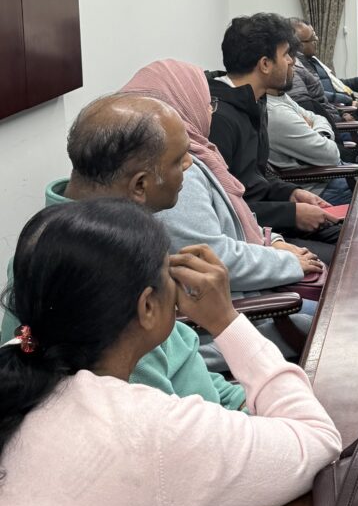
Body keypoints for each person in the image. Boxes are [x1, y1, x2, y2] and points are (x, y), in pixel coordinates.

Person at [0, 199, 342, 506]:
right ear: (146, 306)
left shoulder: (18, 365)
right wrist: (225, 320)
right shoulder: (146, 428)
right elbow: (317, 440)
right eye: (168, 272)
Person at [0, 92, 245, 411]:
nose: (190, 163)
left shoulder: (97, 240)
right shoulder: (97, 269)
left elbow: (184, 363)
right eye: (178, 159)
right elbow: (155, 419)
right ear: (140, 186)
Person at [121, 59, 323, 296]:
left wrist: (273, 242)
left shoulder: (199, 153)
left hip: (255, 280)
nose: (210, 111)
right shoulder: (174, 172)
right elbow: (209, 258)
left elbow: (236, 219)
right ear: (178, 106)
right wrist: (285, 262)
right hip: (242, 310)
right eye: (207, 103)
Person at [208, 12, 342, 263]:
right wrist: (290, 214)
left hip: (270, 217)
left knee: (355, 239)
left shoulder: (255, 102)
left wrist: (291, 193)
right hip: (250, 236)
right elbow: (224, 209)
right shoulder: (220, 119)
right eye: (286, 55)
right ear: (265, 64)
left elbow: (256, 179)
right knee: (347, 259)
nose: (292, 62)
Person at [291, 17, 358, 105]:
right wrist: (349, 101)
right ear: (298, 44)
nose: (316, 39)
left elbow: (335, 84)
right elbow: (317, 95)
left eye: (315, 35)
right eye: (312, 38)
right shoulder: (298, 68)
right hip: (341, 109)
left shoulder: (313, 60)